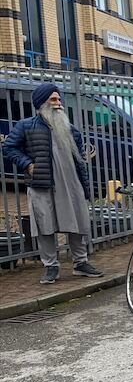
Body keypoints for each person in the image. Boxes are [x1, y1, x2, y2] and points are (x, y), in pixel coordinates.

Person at [2, 82, 102, 284]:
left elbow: (79, 158)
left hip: (71, 183)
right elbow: (9, 147)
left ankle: (80, 262)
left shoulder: (71, 129)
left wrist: (84, 183)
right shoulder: (26, 126)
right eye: (53, 99)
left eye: (59, 99)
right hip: (42, 183)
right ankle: (51, 266)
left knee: (76, 222)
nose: (58, 103)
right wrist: (27, 164)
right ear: (42, 103)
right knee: (44, 225)